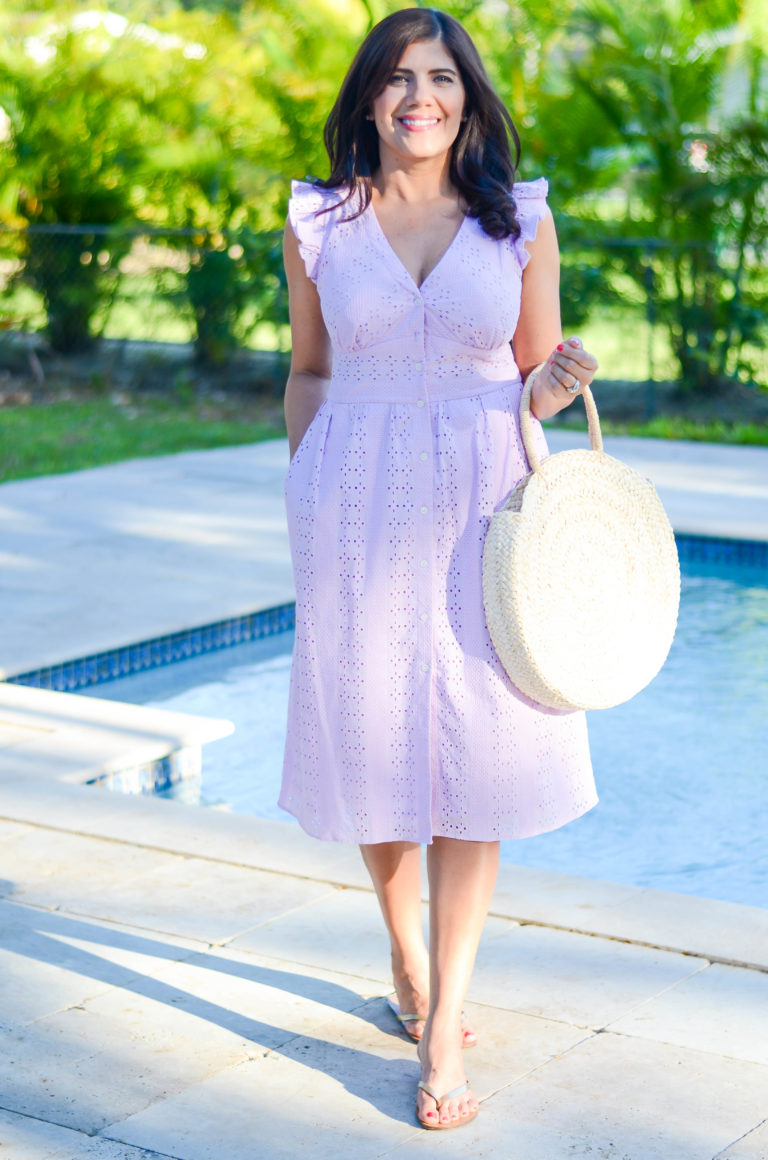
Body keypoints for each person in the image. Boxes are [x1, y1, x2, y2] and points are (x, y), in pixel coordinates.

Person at [279, 7, 599, 1132]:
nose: (422, 96)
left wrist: (554, 388)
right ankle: (409, 956)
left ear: (468, 98)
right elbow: (309, 369)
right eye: (399, 79)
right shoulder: (319, 220)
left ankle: (447, 1013)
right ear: (369, 98)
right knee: (374, 742)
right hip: (354, 498)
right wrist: (308, 487)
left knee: (477, 750)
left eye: (443, 77)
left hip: (479, 495)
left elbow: (528, 372)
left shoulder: (522, 223)